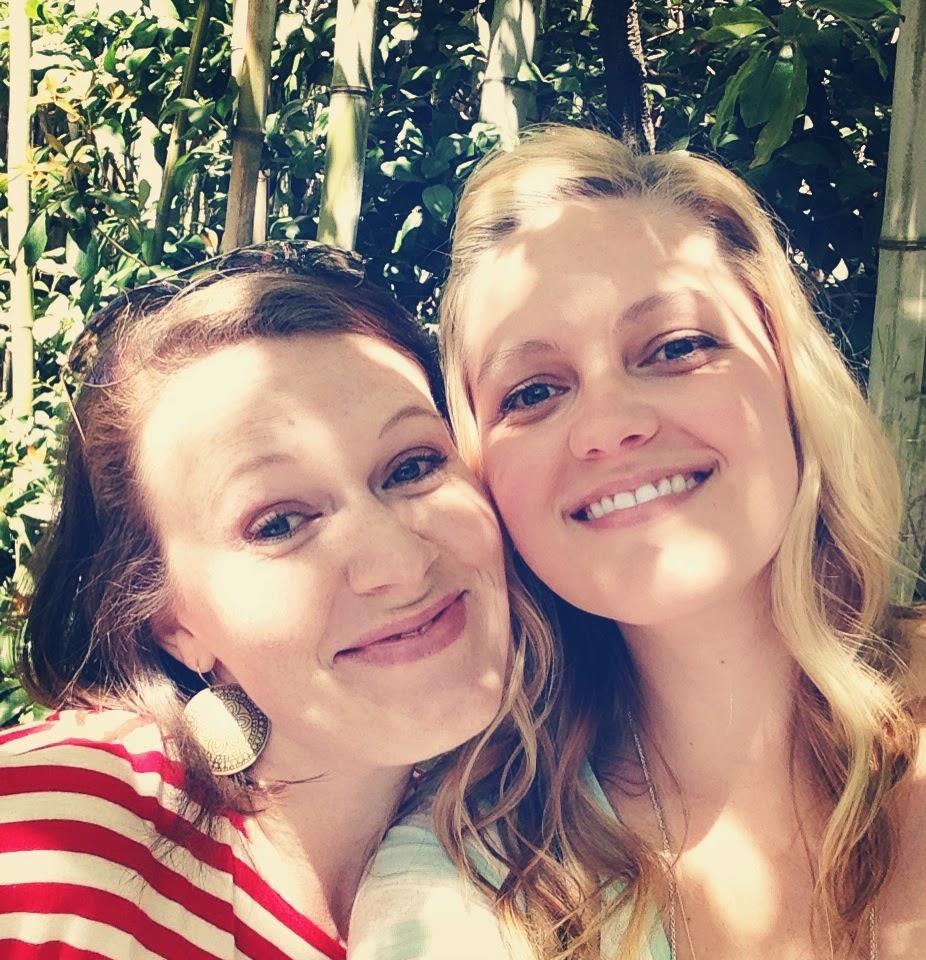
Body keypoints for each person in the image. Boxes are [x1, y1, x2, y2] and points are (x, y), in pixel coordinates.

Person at [350, 126, 926, 960]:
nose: (608, 426)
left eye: (676, 347)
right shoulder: (471, 880)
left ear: (789, 374)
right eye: (532, 392)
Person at [0, 243, 552, 960]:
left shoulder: (540, 849)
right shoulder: (60, 829)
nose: (400, 562)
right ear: (173, 623)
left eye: (413, 466)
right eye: (279, 524)